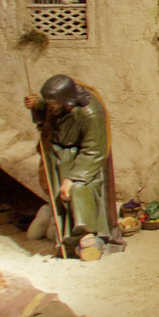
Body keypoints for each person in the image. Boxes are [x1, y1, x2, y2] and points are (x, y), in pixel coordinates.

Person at [25, 74, 117, 244]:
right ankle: (65, 237)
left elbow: (93, 151)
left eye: (52, 104)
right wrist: (36, 105)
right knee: (58, 196)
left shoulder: (90, 113)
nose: (50, 108)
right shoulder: (59, 103)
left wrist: (72, 178)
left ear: (67, 101)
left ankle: (87, 235)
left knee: (77, 189)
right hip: (59, 155)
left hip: (83, 160)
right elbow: (46, 110)